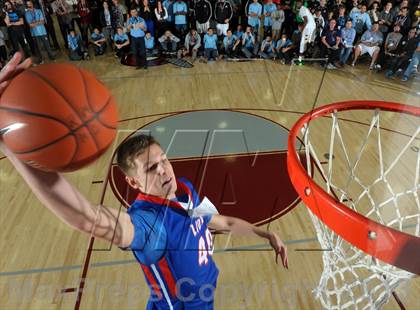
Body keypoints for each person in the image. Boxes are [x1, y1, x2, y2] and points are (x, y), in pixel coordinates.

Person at [0, 112, 289, 309]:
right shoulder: (148, 224)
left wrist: (265, 234)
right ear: (132, 181)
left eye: (164, 160)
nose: (164, 170)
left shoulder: (185, 190)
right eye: (151, 168)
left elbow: (220, 221)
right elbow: (87, 217)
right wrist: (13, 146)